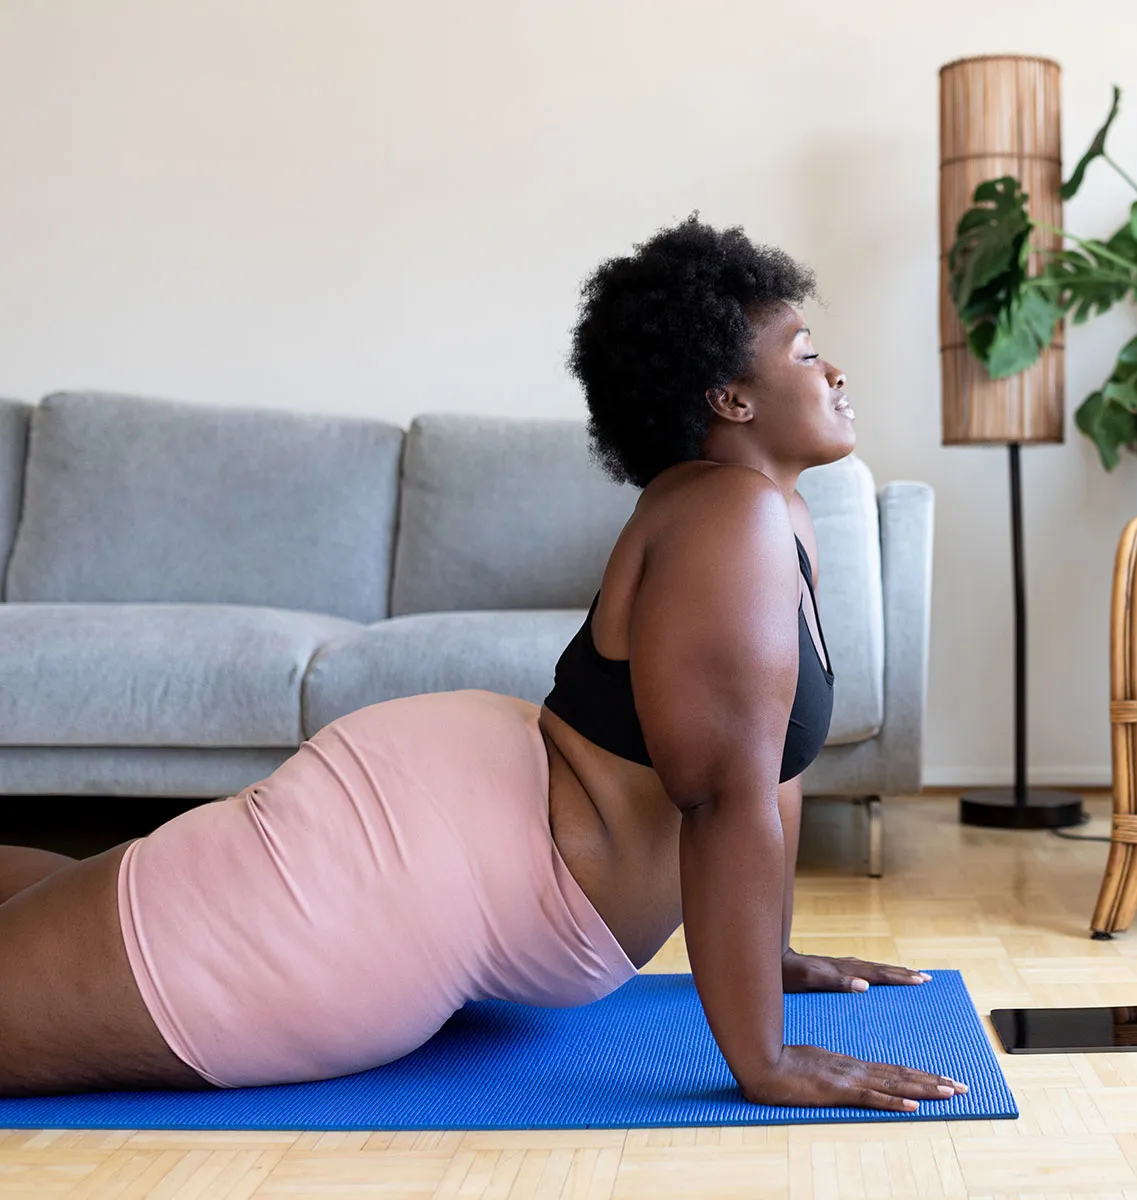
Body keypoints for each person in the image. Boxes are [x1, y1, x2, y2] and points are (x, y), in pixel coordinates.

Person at [0, 216, 967, 1113]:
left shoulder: (771, 514)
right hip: (391, 872)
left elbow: (769, 772)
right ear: (731, 396)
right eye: (805, 351)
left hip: (427, 831)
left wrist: (771, 951)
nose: (833, 368)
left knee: (86, 908)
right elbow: (722, 798)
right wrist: (764, 1059)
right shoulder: (731, 515)